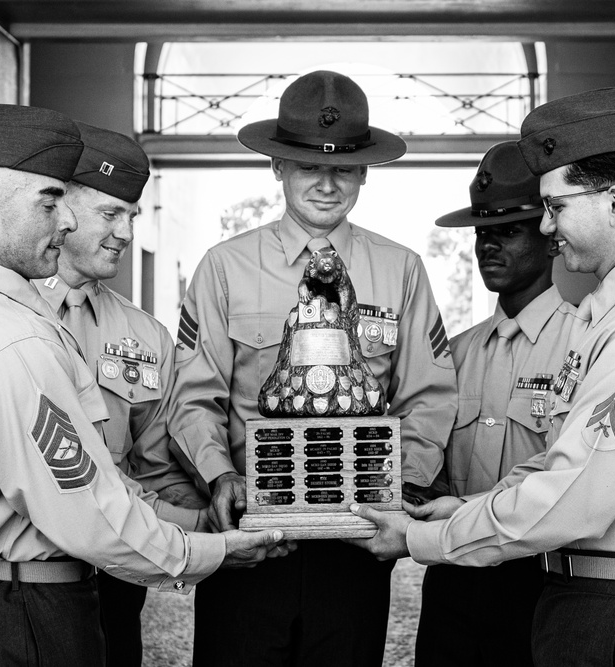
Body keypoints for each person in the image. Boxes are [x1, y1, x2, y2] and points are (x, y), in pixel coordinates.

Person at [0, 103, 287, 666]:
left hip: (58, 587)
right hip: (28, 602)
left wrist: (209, 515)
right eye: (51, 202)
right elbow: (87, 508)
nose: (67, 221)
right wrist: (207, 550)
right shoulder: (13, 342)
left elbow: (146, 470)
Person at [350, 87, 615, 666]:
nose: (548, 227)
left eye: (558, 206)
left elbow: (575, 495)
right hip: (600, 596)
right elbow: (560, 457)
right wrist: (467, 508)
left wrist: (420, 538)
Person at [168, 70, 458, 666]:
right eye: (308, 166)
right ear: (277, 166)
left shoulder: (400, 270)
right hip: (251, 536)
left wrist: (396, 493)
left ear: (363, 172)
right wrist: (221, 478)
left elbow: (428, 396)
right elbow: (195, 398)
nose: (327, 184)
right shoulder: (223, 268)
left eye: (345, 168)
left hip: (354, 540)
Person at [34, 122, 209, 667]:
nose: (127, 233)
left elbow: (156, 464)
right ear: (61, 209)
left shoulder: (146, 336)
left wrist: (213, 526)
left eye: (132, 216)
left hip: (113, 578)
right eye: (111, 213)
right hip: (23, 578)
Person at [411, 141, 576, 667]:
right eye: (483, 233)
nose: (488, 246)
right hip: (453, 579)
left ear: (551, 240)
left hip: (543, 582)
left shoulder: (587, 345)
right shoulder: (454, 355)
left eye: (507, 231)